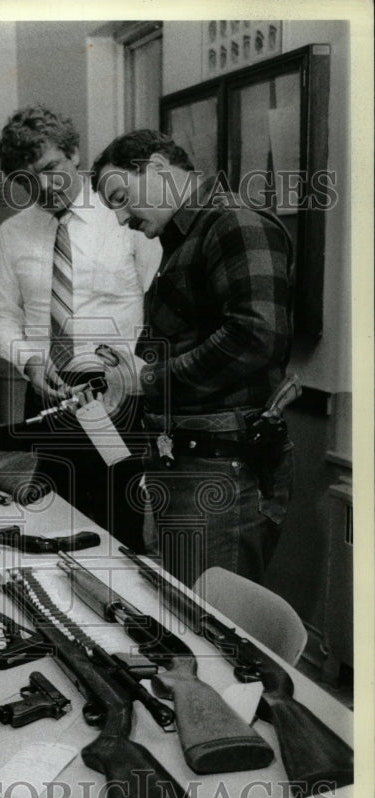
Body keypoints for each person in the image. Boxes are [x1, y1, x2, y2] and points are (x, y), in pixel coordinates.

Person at [90, 129, 294, 586]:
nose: (122, 218)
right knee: (187, 612)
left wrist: (148, 380)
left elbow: (257, 336)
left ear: (160, 168)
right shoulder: (185, 239)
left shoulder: (234, 222)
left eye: (122, 198)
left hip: (221, 470)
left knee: (214, 628)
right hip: (188, 464)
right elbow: (189, 337)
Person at [0, 105, 161, 549]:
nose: (43, 187)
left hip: (117, 397)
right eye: (27, 179)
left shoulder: (126, 219)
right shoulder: (12, 235)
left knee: (118, 526)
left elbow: (158, 309)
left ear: (75, 154)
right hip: (47, 390)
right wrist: (30, 363)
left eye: (51, 168)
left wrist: (133, 374)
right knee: (49, 523)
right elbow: (0, 317)